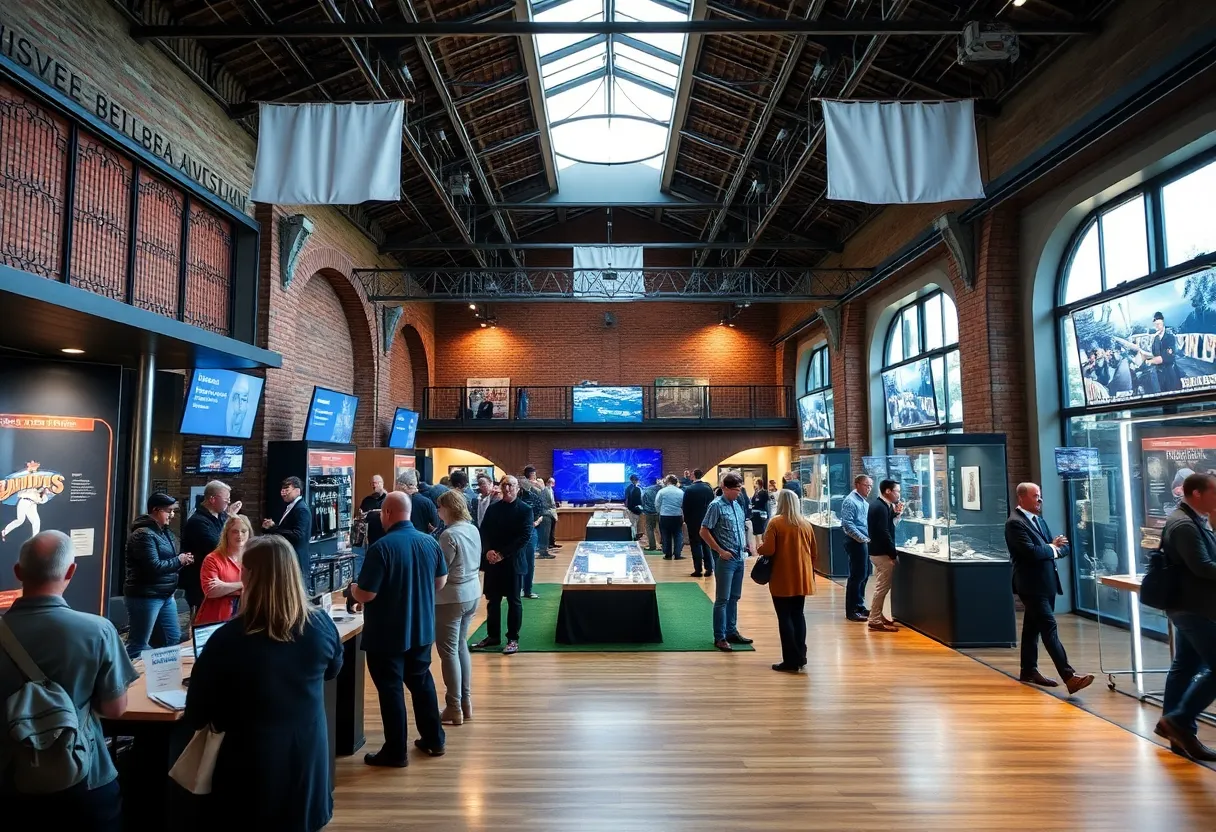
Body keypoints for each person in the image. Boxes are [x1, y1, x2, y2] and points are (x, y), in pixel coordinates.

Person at [182, 536, 343, 829]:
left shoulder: (228, 639)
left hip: (249, 771)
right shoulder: (322, 626)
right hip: (308, 762)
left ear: (249, 576)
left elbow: (196, 713)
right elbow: (332, 670)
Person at [0, 531, 138, 827]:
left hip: (10, 780)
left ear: (18, 573)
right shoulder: (98, 631)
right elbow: (115, 709)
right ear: (71, 571)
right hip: (85, 777)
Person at [349, 492, 448, 765]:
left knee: (391, 690)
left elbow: (366, 594)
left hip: (386, 633)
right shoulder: (430, 542)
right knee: (422, 681)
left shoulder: (381, 547)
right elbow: (440, 582)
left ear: (389, 513)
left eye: (381, 512)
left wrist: (352, 589)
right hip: (422, 627)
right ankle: (434, 739)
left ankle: (395, 751)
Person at [1005, 482, 1094, 695]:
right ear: (1022, 498)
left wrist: (1050, 548)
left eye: (1040, 495)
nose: (1040, 500)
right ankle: (1069, 676)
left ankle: (1028, 670)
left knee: (1032, 628)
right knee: (1049, 627)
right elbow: (1030, 552)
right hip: (1031, 585)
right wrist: (1051, 548)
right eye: (1035, 496)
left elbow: (1063, 548)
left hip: (1047, 583)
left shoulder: (1039, 521)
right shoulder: (1014, 524)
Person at [1154, 472, 1216, 761]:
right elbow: (1202, 567)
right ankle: (1179, 721)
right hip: (1195, 609)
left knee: (1185, 667)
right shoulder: (1184, 525)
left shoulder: (1190, 520)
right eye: (1214, 492)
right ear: (1197, 494)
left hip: (1189, 606)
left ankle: (1178, 733)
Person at [123, 493, 192, 659]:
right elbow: (153, 567)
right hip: (146, 595)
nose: (172, 515)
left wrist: (180, 562)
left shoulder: (163, 532)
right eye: (169, 511)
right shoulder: (143, 535)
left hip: (165, 594)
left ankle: (159, 678)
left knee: (172, 639)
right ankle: (122, 680)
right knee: (138, 644)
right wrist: (179, 560)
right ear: (156, 510)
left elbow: (166, 563)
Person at [472, 476, 533, 655]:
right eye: (504, 485)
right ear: (500, 487)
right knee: (493, 601)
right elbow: (484, 532)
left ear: (517, 488)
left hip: (513, 562)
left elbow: (524, 537)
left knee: (514, 601)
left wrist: (502, 554)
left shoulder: (525, 509)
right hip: (493, 562)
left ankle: (513, 639)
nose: (507, 488)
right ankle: (493, 636)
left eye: (511, 485)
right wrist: (489, 551)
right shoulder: (493, 509)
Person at [435, 490, 481, 726]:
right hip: (473, 592)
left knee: (448, 652)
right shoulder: (472, 528)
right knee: (461, 645)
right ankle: (466, 703)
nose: (438, 511)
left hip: (451, 597)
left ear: (448, 508)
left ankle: (453, 706)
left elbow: (440, 571)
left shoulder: (448, 534)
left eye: (439, 507)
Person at [757, 490, 817, 672]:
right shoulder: (805, 524)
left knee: (784, 618)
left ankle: (790, 660)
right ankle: (801, 656)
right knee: (799, 616)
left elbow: (768, 549)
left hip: (782, 576)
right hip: (802, 577)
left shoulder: (776, 522)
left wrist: (759, 547)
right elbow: (814, 552)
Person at [701, 473, 757, 652]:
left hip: (740, 557)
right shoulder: (716, 505)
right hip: (726, 559)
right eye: (735, 489)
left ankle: (732, 631)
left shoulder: (737, 505)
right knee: (722, 599)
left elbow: (741, 528)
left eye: (740, 489)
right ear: (724, 488)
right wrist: (719, 551)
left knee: (734, 597)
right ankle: (720, 636)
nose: (738, 493)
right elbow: (704, 531)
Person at [180, 480, 240, 612]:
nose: (228, 503)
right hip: (200, 582)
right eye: (226, 500)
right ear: (212, 499)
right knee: (203, 622)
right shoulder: (197, 521)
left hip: (219, 577)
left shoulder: (221, 516)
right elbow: (217, 546)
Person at [195, 514, 252, 626]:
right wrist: (244, 584)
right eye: (234, 531)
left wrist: (225, 587)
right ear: (226, 534)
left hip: (245, 618)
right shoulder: (213, 558)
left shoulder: (254, 558)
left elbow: (261, 587)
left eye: (244, 531)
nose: (240, 535)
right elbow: (211, 591)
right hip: (216, 618)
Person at [261, 477, 312, 594]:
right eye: (282, 489)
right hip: (287, 556)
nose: (283, 492)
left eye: (287, 489)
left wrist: (274, 528)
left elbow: (298, 535)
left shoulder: (301, 509)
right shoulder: (291, 507)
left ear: (297, 491)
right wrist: (270, 528)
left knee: (296, 592)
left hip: (296, 558)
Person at [866, 480, 902, 633]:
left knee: (882, 586)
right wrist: (892, 554)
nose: (898, 494)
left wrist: (896, 513)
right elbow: (883, 532)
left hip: (878, 551)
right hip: (881, 553)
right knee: (882, 587)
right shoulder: (880, 507)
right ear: (888, 491)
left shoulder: (881, 506)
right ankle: (874, 619)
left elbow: (884, 525)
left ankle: (877, 615)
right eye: (897, 491)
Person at [840, 475, 873, 623]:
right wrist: (862, 538)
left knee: (865, 575)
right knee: (857, 576)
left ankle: (859, 606)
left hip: (863, 542)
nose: (869, 489)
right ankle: (851, 610)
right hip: (855, 542)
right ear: (858, 484)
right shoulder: (850, 501)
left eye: (871, 486)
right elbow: (847, 524)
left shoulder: (863, 502)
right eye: (867, 485)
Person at [518, 468, 548, 598]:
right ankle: (516, 589)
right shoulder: (509, 500)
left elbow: (541, 511)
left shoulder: (533, 496)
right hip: (514, 534)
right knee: (516, 561)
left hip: (530, 531)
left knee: (529, 561)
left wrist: (536, 521)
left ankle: (528, 590)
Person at [683, 470, 716, 578]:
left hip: (693, 521)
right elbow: (713, 505)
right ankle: (709, 568)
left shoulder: (689, 489)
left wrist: (687, 520)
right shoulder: (708, 488)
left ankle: (698, 569)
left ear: (693, 476)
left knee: (695, 544)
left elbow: (685, 507)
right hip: (706, 520)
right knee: (707, 543)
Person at [397, 470, 439, 536]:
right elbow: (435, 526)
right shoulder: (427, 502)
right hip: (423, 539)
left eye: (398, 485)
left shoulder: (397, 502)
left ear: (404, 486)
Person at [655, 475, 686, 560]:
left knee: (666, 535)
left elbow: (657, 504)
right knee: (678, 534)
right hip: (677, 515)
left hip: (665, 515)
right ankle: (677, 554)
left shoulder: (662, 491)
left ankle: (667, 555)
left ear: (668, 481)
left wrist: (660, 512)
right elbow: (683, 504)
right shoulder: (681, 492)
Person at [360, 474, 389, 548]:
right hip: (371, 535)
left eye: (376, 483)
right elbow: (362, 515)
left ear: (381, 483)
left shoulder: (389, 499)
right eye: (372, 483)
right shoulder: (367, 500)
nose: (374, 485)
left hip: (385, 534)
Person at [641, 477, 662, 552]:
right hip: (660, 511)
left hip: (649, 512)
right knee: (661, 528)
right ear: (656, 481)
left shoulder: (646, 489)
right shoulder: (661, 489)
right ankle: (662, 545)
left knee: (650, 529)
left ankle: (652, 546)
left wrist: (643, 509)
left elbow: (642, 500)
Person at [544, 477, 562, 550]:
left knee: (552, 528)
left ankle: (552, 543)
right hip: (548, 511)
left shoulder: (551, 490)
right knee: (549, 528)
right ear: (548, 482)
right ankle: (548, 544)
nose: (554, 484)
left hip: (553, 511)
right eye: (552, 482)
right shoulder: (545, 490)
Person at [625, 473, 643, 540]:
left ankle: (633, 536)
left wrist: (627, 508)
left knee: (632, 523)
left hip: (632, 509)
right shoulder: (639, 488)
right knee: (634, 523)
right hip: (637, 509)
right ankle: (634, 536)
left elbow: (626, 499)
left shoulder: (628, 488)